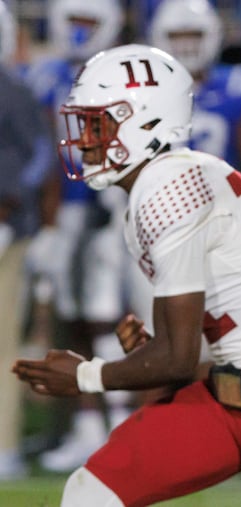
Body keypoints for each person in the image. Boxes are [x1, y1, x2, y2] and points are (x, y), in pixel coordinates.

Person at [13, 44, 241, 506]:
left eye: (98, 124)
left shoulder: (170, 188)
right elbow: (211, 330)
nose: (85, 139)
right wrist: (155, 348)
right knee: (92, 493)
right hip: (226, 387)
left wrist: (86, 375)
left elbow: (177, 356)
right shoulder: (164, 183)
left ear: (146, 121)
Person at [22, 0, 136, 473]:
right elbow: (44, 149)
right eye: (73, 21)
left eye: (88, 22)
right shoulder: (48, 75)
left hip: (115, 205)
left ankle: (124, 424)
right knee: (76, 319)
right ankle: (90, 427)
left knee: (112, 318)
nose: (78, 31)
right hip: (67, 208)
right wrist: (48, 222)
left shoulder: (125, 69)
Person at [0, 0, 56, 480]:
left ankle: (3, 446)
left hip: (4, 232)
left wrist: (8, 203)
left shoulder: (12, 91)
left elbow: (41, 156)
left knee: (1, 342)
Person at [148, 0, 241, 191]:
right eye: (176, 36)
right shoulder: (145, 93)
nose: (186, 45)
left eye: (195, 35)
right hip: (159, 200)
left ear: (214, 34)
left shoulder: (238, 85)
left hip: (222, 202)